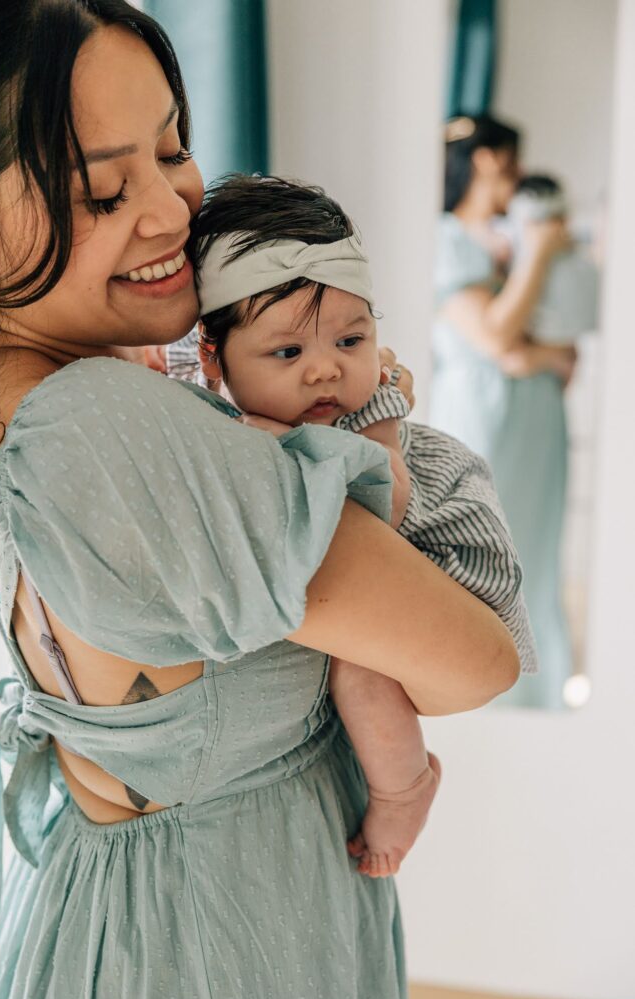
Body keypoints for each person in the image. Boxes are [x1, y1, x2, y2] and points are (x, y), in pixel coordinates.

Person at [0, 6, 520, 999]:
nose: (171, 212)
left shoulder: (34, 404)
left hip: (157, 914)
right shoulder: (102, 425)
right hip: (215, 947)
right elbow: (477, 659)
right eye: (102, 190)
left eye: (173, 150)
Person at [152, 174, 536, 878]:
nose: (326, 370)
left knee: (356, 669)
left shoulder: (369, 404)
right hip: (389, 558)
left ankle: (404, 790)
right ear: (213, 357)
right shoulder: (217, 406)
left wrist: (276, 440)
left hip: (446, 555)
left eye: (351, 339)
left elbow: (382, 509)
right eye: (288, 353)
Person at [430, 114, 575, 709]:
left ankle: (536, 690)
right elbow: (494, 338)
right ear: (490, 160)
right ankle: (490, 689)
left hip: (535, 415)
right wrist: (538, 255)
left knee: (538, 547)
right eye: (514, 161)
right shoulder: (447, 238)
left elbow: (532, 341)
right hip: (487, 414)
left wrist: (540, 354)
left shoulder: (500, 239)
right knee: (492, 549)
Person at [506, 173, 600, 345]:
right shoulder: (511, 261)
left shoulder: (588, 250)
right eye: (537, 222)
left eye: (555, 218)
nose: (548, 230)